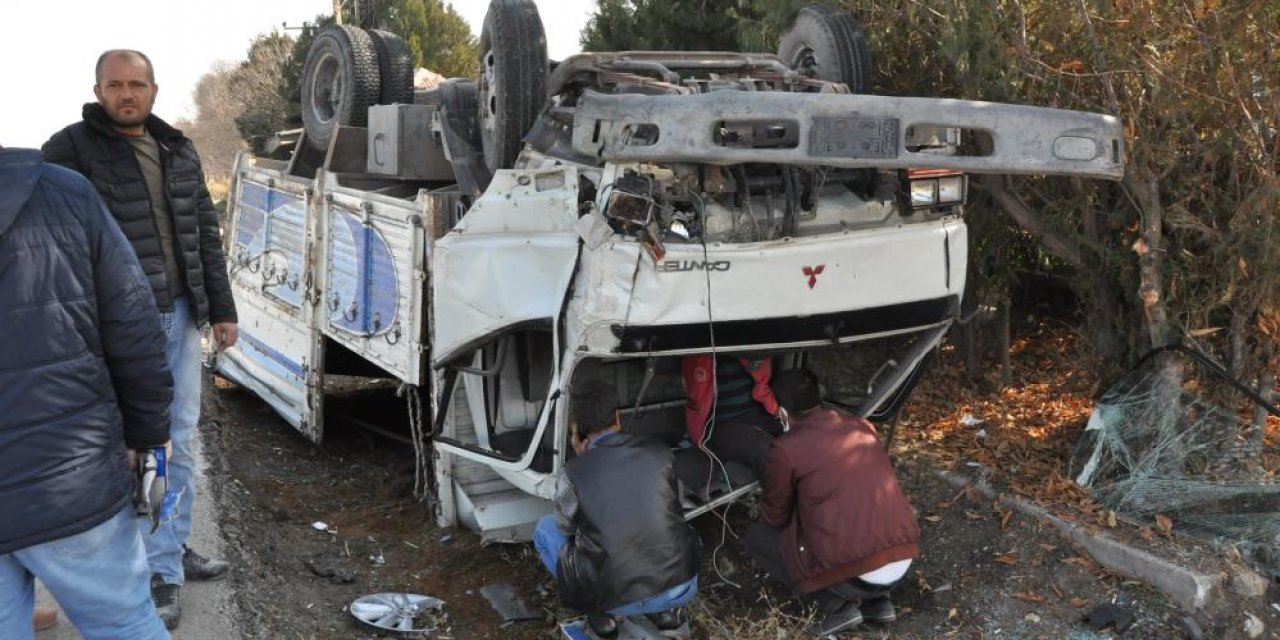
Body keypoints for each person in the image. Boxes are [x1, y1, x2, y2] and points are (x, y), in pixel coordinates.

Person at [42, 49, 238, 629]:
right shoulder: (68, 150)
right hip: (111, 324)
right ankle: (140, 567)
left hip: (178, 316)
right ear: (98, 90)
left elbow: (205, 232)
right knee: (125, 446)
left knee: (178, 438)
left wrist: (220, 308)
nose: (127, 94)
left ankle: (168, 552)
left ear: (154, 89)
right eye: (116, 85)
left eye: (137, 84)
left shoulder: (178, 147)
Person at [0, 146, 172, 640]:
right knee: (125, 625)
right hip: (68, 479)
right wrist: (151, 433)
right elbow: (134, 326)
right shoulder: (67, 193)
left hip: (64, 477)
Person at [744, 368, 920, 636]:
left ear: (781, 412)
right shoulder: (862, 426)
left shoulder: (786, 449)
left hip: (858, 574)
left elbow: (776, 516)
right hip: (903, 556)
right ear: (819, 398)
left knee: (758, 538)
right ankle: (878, 603)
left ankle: (837, 607)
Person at [533, 380, 702, 639]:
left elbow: (566, 528)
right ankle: (669, 614)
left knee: (545, 529)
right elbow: (673, 508)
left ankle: (602, 618)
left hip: (614, 596)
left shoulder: (573, 473)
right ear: (617, 420)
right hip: (680, 585)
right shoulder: (660, 451)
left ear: (576, 432)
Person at [683, 354, 784, 478]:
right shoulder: (701, 354)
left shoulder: (749, 345)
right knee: (766, 450)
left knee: (794, 434)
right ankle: (780, 496)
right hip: (722, 424)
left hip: (756, 413)